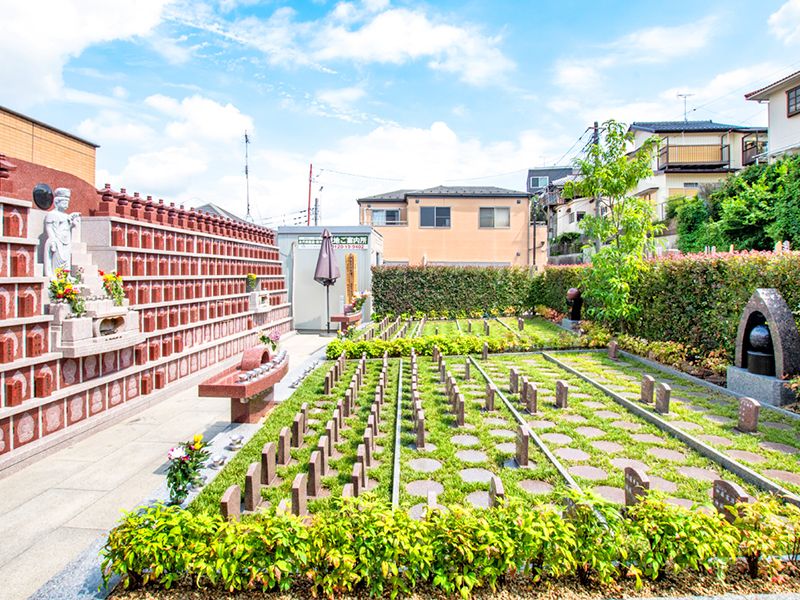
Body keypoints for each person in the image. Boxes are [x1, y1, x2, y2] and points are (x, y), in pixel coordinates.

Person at [43, 188, 80, 277]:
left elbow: (67, 227)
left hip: (66, 239)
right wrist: (52, 239)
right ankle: (57, 275)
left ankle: (66, 276)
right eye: (64, 203)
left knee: (66, 258)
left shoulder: (66, 215)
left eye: (67, 203)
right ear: (57, 202)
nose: (66, 205)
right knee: (58, 258)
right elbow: (49, 228)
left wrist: (73, 223)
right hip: (57, 239)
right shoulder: (52, 214)